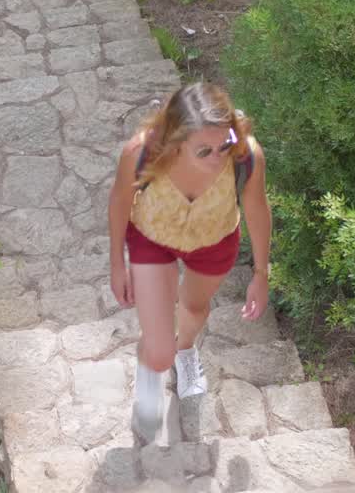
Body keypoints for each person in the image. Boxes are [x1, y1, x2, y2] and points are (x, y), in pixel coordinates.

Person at [107, 82, 272, 442]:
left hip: (213, 240)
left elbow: (257, 207)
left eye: (223, 145)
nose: (218, 158)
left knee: (194, 310)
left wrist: (261, 273)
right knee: (158, 351)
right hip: (153, 238)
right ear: (176, 144)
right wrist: (117, 263)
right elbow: (120, 200)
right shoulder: (142, 152)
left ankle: (185, 351)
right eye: (204, 151)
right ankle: (153, 367)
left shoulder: (245, 154)